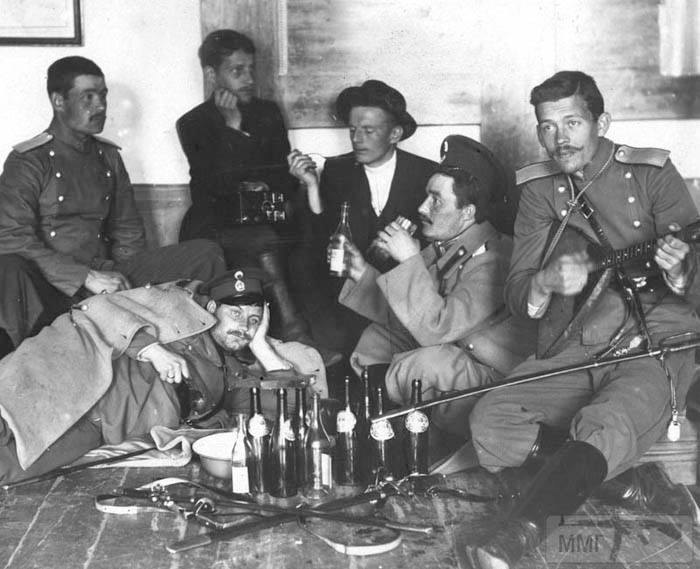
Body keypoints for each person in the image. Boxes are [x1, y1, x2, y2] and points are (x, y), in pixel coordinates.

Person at [466, 71, 700, 569]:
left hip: (658, 338)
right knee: (491, 421)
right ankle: (627, 483)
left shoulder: (653, 174)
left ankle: (514, 537)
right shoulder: (539, 188)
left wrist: (683, 272)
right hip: (587, 336)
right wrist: (545, 282)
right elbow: (517, 292)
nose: (560, 138)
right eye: (547, 126)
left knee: (603, 424)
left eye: (572, 122)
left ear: (601, 123)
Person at [0, 269, 327, 485]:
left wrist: (262, 347)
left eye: (254, 320)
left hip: (98, 427)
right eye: (236, 313)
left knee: (10, 469)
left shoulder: (231, 374)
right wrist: (152, 350)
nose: (244, 325)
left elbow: (288, 410)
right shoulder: (172, 303)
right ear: (211, 308)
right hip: (74, 375)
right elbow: (95, 308)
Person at [0, 56, 226, 358]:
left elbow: (127, 230)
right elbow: (12, 237)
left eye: (103, 96)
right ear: (58, 101)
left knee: (206, 254)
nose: (100, 106)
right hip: (50, 284)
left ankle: (208, 357)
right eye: (88, 97)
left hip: (106, 274)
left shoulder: (107, 156)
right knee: (9, 268)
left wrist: (129, 290)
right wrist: (84, 277)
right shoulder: (29, 161)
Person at [339, 135, 534, 435]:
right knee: (376, 340)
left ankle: (391, 429)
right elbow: (411, 315)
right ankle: (381, 423)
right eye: (426, 196)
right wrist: (360, 272)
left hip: (490, 372)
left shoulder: (494, 258)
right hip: (451, 350)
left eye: (436, 200)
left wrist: (409, 261)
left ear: (468, 212)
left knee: (425, 364)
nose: (422, 207)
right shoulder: (448, 246)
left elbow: (436, 328)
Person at [176, 30, 338, 365]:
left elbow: (280, 177)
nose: (249, 79)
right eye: (237, 71)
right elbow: (214, 189)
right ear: (212, 74)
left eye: (251, 69)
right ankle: (296, 333)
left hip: (262, 217)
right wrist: (233, 129)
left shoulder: (268, 113)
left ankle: (308, 340)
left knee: (301, 238)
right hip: (214, 225)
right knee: (264, 240)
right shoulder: (193, 123)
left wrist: (269, 181)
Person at [288, 79, 437, 354]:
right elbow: (322, 241)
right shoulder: (337, 170)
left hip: (404, 302)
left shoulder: (427, 174)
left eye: (368, 130)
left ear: (394, 134)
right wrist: (311, 186)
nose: (357, 139)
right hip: (350, 300)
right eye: (352, 130)